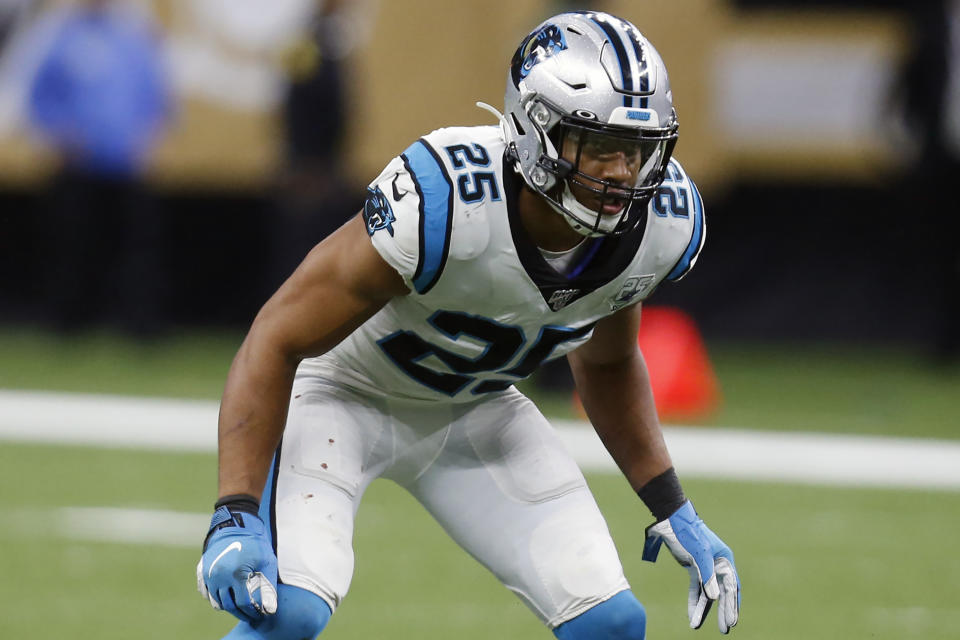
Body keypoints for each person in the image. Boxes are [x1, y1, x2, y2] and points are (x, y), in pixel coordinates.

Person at [197, 11, 740, 640]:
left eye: (638, 149)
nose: (623, 173)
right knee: (287, 614)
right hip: (342, 396)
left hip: (474, 410)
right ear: (538, 131)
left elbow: (610, 361)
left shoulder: (659, 225)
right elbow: (277, 335)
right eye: (598, 147)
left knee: (612, 625)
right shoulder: (448, 197)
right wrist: (234, 510)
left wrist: (672, 506)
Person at [26, 0, 171, 336]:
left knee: (136, 253)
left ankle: (139, 328)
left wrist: (148, 137)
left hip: (127, 166)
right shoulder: (61, 38)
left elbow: (156, 97)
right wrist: (60, 133)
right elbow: (39, 98)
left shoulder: (132, 38)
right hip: (79, 166)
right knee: (75, 249)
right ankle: (68, 326)